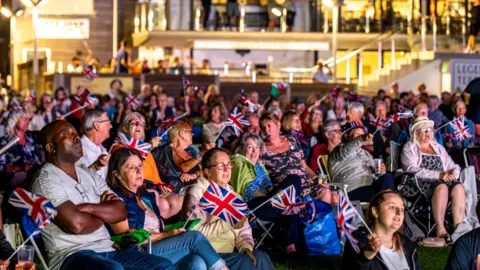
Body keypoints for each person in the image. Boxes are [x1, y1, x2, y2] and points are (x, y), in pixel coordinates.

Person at [32, 120, 175, 270]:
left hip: (108, 248)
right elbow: (77, 225)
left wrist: (89, 209)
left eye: (75, 132)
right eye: (66, 134)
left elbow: (120, 211)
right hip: (72, 255)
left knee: (163, 265)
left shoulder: (87, 173)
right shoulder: (46, 180)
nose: (76, 137)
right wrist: (104, 211)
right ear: (51, 147)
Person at [106, 148, 228, 270]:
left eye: (140, 165)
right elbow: (127, 240)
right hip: (139, 254)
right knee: (195, 237)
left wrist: (176, 229)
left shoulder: (146, 197)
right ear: (116, 174)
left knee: (196, 261)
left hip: (159, 247)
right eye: (131, 167)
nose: (139, 171)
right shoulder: (116, 200)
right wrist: (167, 234)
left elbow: (160, 227)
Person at [182, 148, 275, 270]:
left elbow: (244, 230)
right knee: (243, 262)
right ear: (208, 171)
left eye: (228, 164)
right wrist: (229, 222)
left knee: (261, 257)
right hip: (207, 255)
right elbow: (194, 234)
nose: (227, 169)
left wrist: (246, 248)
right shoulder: (197, 192)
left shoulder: (234, 196)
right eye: (220, 166)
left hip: (231, 252)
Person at [230, 133, 307, 254]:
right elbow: (250, 190)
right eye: (250, 147)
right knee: (292, 188)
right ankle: (290, 245)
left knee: (292, 194)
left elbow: (268, 187)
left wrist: (275, 195)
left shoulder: (259, 166)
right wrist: (274, 197)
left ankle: (290, 246)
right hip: (252, 207)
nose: (254, 151)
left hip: (268, 203)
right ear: (242, 148)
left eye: (257, 147)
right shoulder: (239, 163)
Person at [401, 116, 465, 239]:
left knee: (458, 187)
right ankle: (440, 229)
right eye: (424, 130)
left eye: (429, 130)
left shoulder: (438, 147)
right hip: (418, 183)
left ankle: (458, 228)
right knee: (441, 187)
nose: (427, 133)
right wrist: (438, 175)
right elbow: (410, 169)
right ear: (416, 132)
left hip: (442, 179)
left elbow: (453, 165)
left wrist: (453, 174)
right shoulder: (410, 147)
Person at [342, 190, 421, 270]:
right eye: (392, 207)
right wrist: (366, 257)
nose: (399, 213)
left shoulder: (408, 244)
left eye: (402, 209)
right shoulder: (357, 242)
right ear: (375, 211)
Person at [260, 113, 330, 201]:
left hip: (307, 185)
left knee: (328, 191)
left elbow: (305, 166)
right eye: (263, 127)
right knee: (325, 197)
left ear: (278, 125)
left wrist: (317, 179)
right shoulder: (262, 149)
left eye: (269, 126)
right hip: (289, 192)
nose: (266, 130)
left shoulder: (292, 139)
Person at [329, 126, 394, 202]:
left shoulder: (365, 153)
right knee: (383, 195)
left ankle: (390, 202)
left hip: (369, 187)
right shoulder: (339, 150)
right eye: (357, 134)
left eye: (362, 134)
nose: (361, 136)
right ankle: (390, 203)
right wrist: (361, 139)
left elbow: (377, 173)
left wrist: (381, 171)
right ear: (347, 136)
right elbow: (348, 148)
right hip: (351, 191)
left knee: (387, 177)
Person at [152, 119, 211, 194]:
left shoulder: (190, 150)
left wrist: (194, 175)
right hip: (178, 193)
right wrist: (202, 153)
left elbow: (205, 170)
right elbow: (184, 167)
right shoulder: (165, 150)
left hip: (197, 188)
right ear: (181, 133)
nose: (193, 134)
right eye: (190, 131)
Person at [0, 110, 43, 190]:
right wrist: (19, 168)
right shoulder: (5, 142)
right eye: (24, 119)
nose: (27, 121)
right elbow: (1, 167)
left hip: (36, 174)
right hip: (16, 180)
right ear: (14, 121)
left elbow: (39, 158)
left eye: (27, 119)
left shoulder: (29, 139)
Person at [79, 109, 112, 180]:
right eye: (108, 122)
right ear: (97, 125)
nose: (111, 126)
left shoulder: (102, 149)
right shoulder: (78, 150)